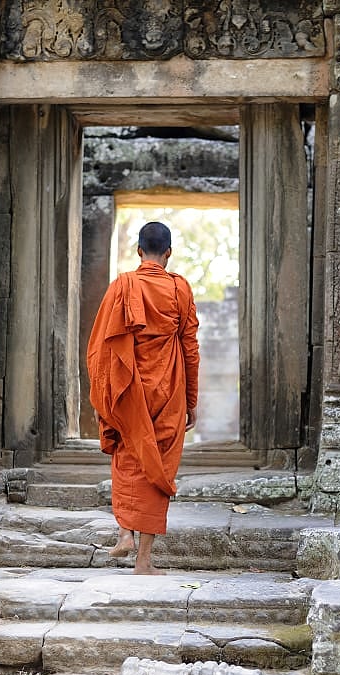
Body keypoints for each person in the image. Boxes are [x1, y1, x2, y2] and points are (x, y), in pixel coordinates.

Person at [86, 221, 200, 575]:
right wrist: (192, 400)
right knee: (158, 466)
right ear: (168, 253)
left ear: (139, 251)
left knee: (128, 454)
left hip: (128, 389)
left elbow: (100, 347)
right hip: (167, 392)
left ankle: (124, 534)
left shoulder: (123, 286)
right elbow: (190, 348)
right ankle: (144, 561)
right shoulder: (179, 289)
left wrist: (108, 393)